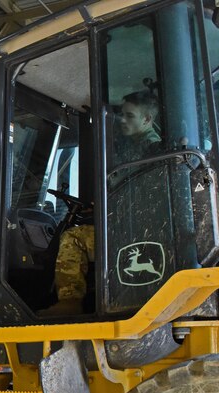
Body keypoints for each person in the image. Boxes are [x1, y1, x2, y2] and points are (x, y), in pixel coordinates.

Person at [43, 90, 161, 315]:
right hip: (132, 226)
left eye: (129, 115)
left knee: (73, 238)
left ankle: (70, 301)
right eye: (121, 114)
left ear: (146, 120)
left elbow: (143, 195)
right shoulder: (137, 147)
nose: (123, 120)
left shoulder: (150, 151)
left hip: (135, 232)